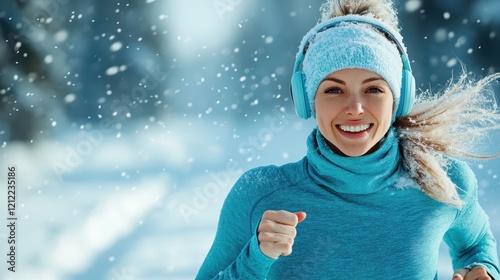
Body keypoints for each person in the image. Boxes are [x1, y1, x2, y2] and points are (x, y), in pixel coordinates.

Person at [196, 0, 500, 279]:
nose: (355, 109)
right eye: (333, 90)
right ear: (307, 100)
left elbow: (475, 244)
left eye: (373, 89)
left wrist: (483, 271)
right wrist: (256, 257)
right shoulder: (259, 195)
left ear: (398, 98)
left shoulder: (442, 181)